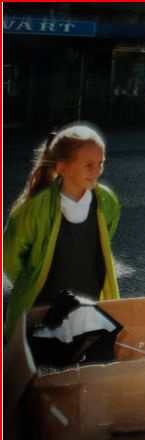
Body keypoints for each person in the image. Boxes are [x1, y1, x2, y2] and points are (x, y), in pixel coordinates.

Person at [3, 123, 120, 340]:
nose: (98, 171)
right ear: (63, 167)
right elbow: (11, 256)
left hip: (89, 301)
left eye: (101, 163)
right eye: (89, 165)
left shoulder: (107, 201)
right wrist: (33, 278)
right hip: (44, 304)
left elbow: (105, 236)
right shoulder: (33, 208)